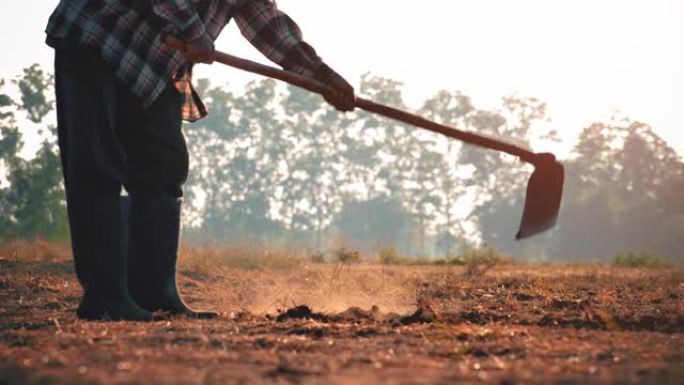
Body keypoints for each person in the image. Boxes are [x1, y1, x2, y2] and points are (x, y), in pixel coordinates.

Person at [45, 0, 355, 321]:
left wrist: (321, 76)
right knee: (98, 165)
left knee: (163, 169)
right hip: (99, 34)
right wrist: (195, 32)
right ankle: (105, 298)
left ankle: (154, 294)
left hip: (157, 63)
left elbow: (265, 22)